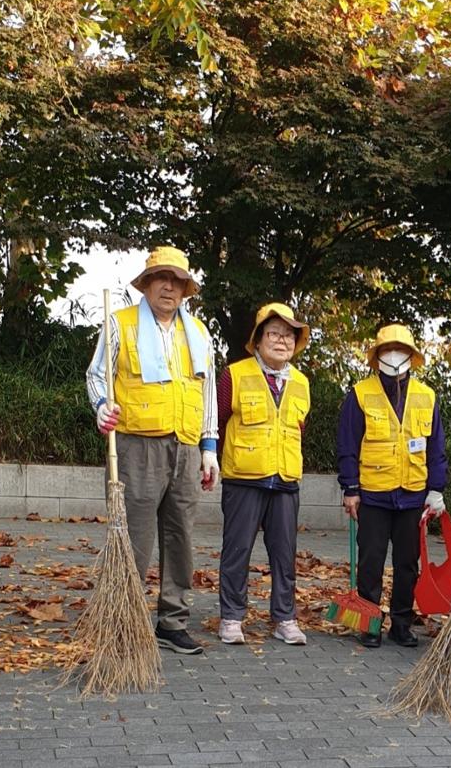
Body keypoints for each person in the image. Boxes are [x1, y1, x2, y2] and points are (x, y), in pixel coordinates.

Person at [87, 245, 218, 655]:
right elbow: (97, 376)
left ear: (185, 289)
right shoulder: (120, 323)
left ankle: (172, 621)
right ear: (146, 284)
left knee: (181, 536)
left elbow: (208, 392)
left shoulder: (198, 333)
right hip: (137, 445)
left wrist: (209, 447)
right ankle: (124, 618)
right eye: (162, 278)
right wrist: (102, 407)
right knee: (135, 536)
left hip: (186, 446)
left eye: (177, 281)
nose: (169, 286)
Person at [337, 324, 448, 648]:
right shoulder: (360, 394)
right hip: (373, 492)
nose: (394, 356)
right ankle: (369, 622)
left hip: (413, 494)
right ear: (378, 357)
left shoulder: (427, 397)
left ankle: (401, 622)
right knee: (370, 561)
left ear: (412, 357)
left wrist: (436, 489)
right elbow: (348, 445)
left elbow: (436, 448)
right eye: (388, 350)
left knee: (407, 563)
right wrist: (351, 489)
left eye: (401, 350)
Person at [215, 303, 312, 647]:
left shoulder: (301, 382)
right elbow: (220, 421)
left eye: (289, 335)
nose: (282, 341)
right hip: (244, 476)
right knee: (237, 549)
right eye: (274, 333)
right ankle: (231, 617)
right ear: (258, 339)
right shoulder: (235, 374)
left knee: (284, 554)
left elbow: (298, 427)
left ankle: (284, 618)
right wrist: (218, 459)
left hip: (285, 479)